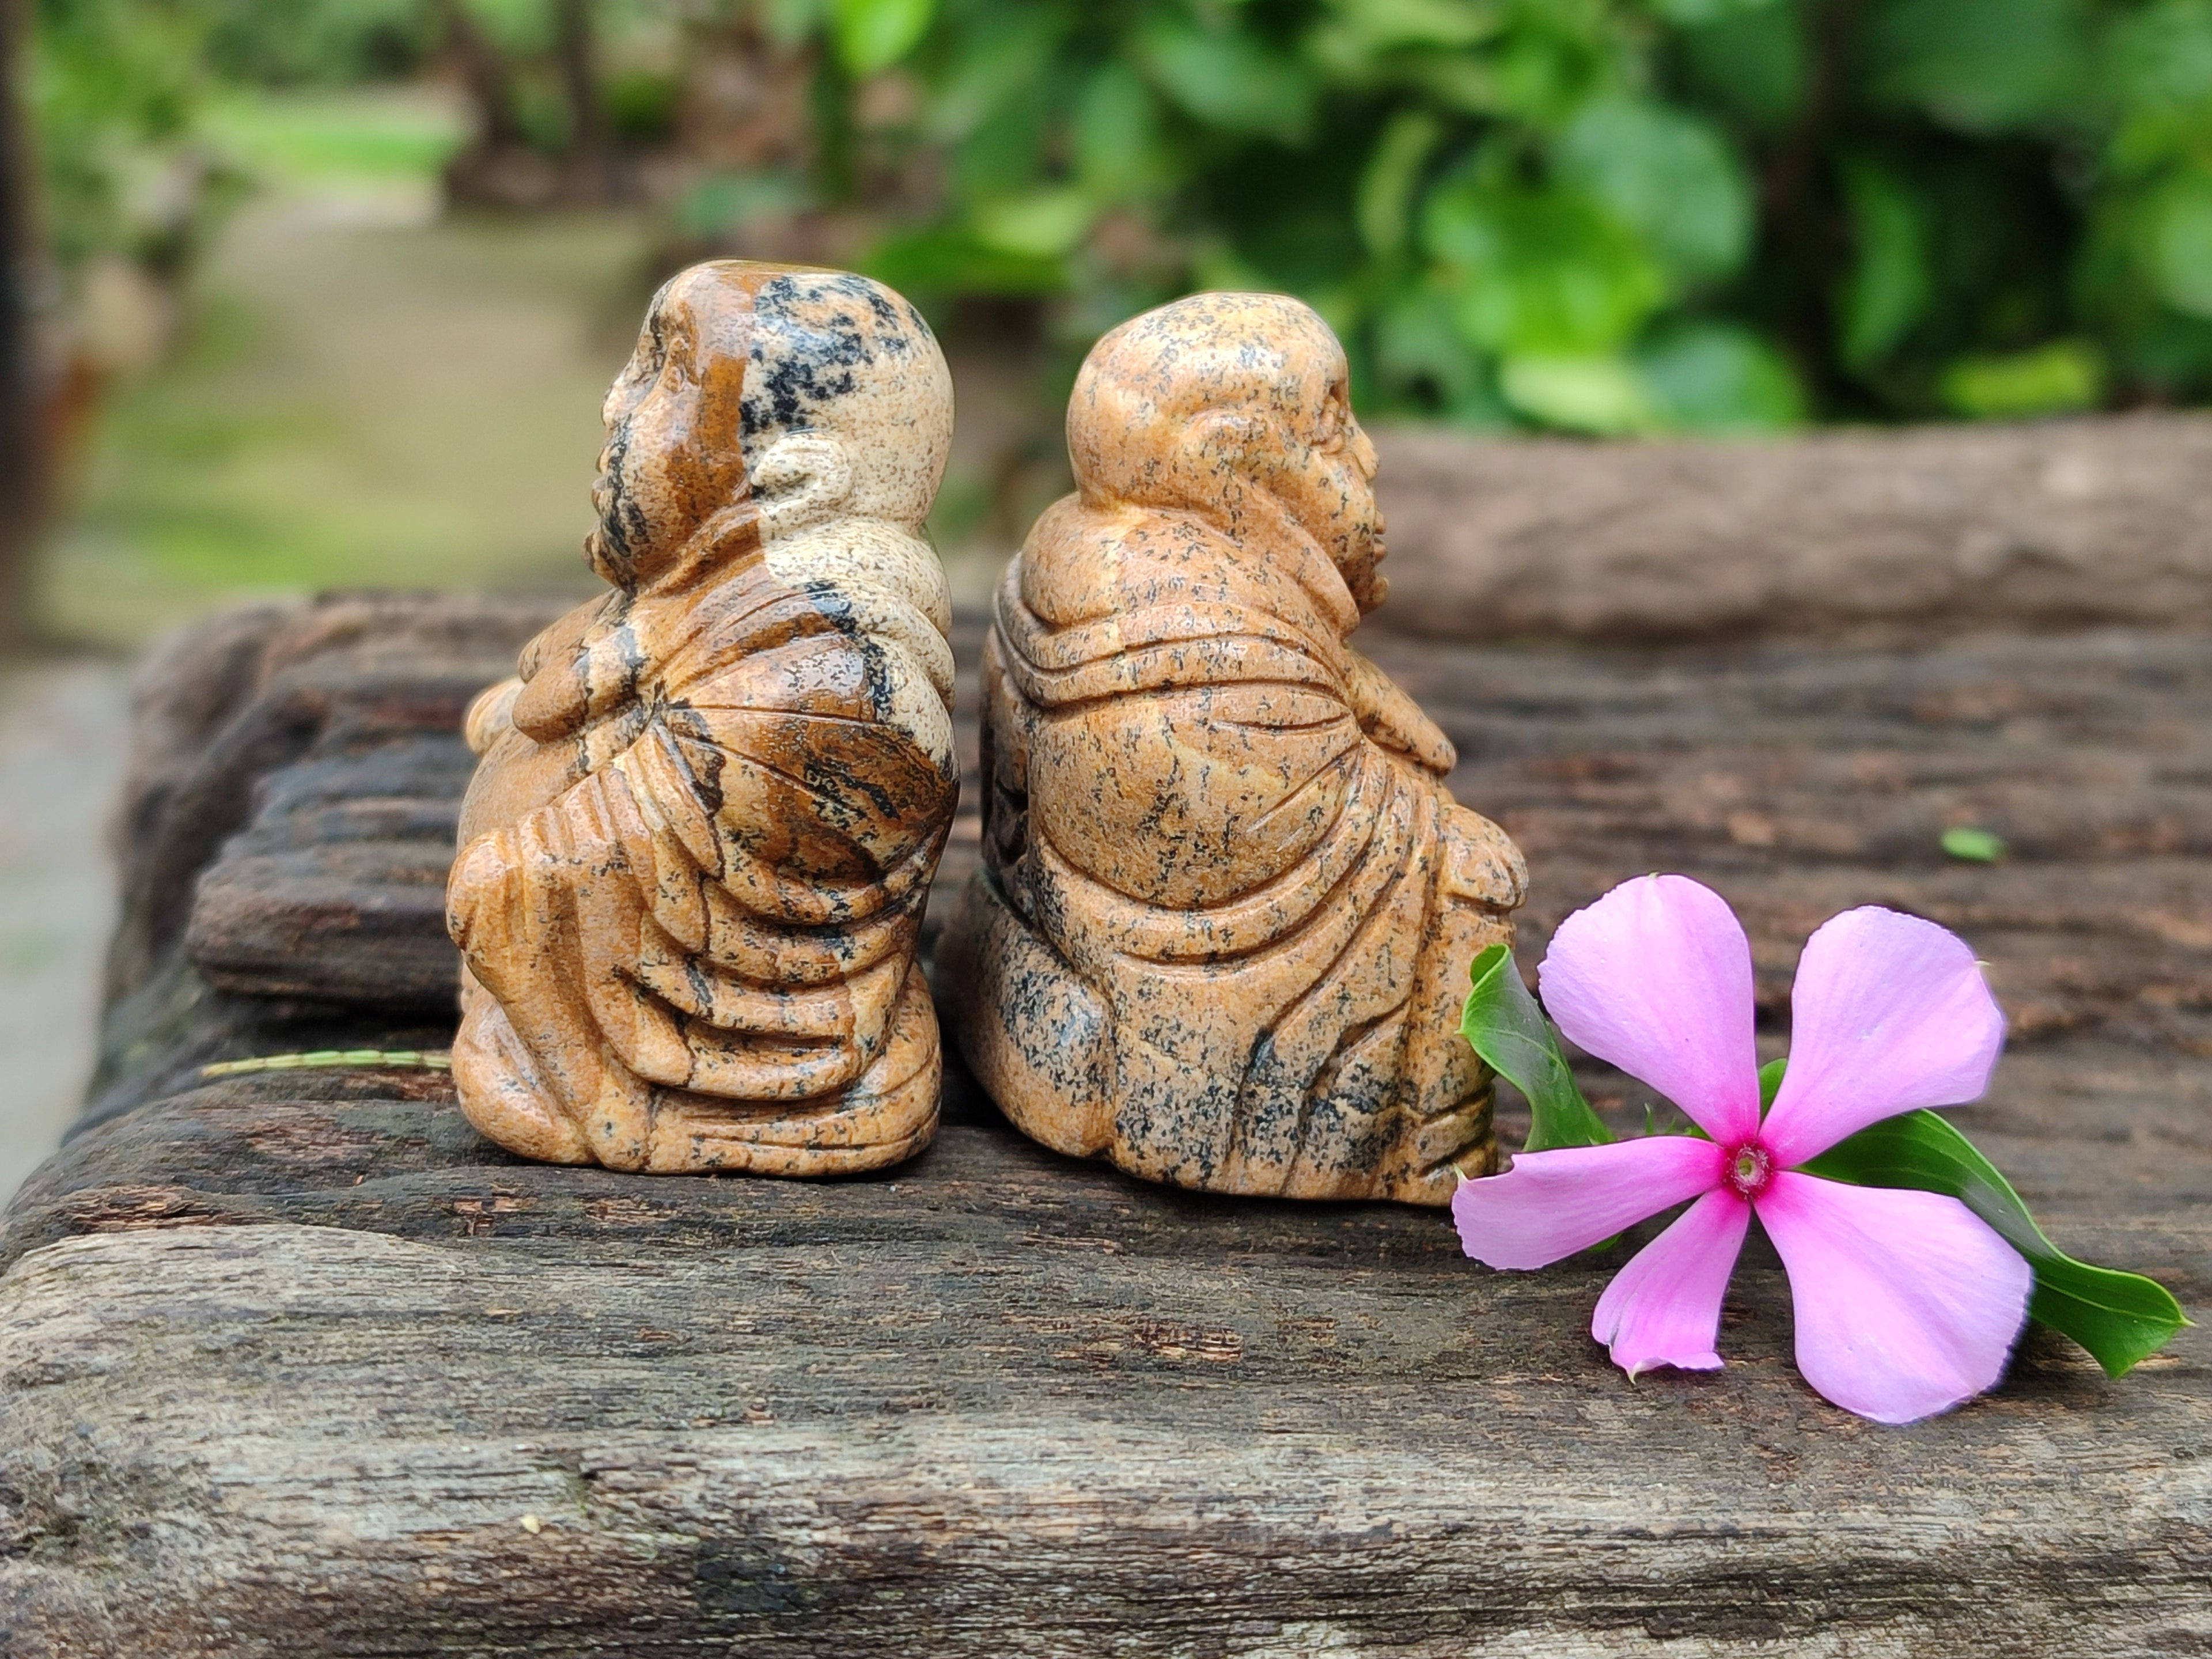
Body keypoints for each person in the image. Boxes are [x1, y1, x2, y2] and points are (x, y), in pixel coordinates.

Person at [946, 291, 1526, 1205]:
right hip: (1164, 1007)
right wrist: (1423, 812)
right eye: (1334, 433)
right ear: (1234, 465)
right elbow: (1312, 835)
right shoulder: (1202, 656)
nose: (1369, 456)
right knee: (1471, 867)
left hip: (1039, 943)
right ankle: (1430, 1161)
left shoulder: (1054, 554)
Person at [447, 262, 957, 1175]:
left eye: (661, 376)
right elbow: (546, 692)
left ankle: (637, 1107)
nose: (612, 404)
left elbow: (550, 873)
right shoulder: (692, 597)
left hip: (764, 1050)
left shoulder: (832, 693)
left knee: (499, 891)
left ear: (791, 480)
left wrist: (505, 875)